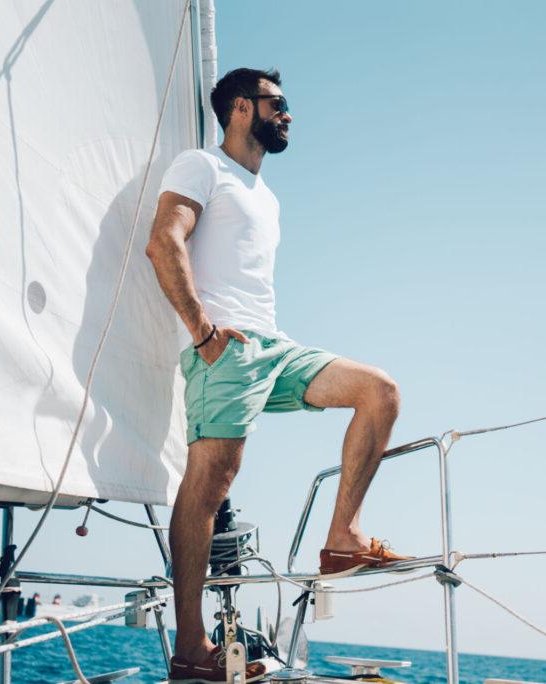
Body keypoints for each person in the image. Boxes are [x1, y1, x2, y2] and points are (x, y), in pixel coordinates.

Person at [146, 68, 411, 683]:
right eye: (278, 103)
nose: (288, 114)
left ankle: (342, 537)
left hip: (274, 345)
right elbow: (165, 243)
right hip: (227, 347)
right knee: (212, 480)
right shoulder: (200, 166)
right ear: (241, 107)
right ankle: (190, 646)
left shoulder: (265, 194)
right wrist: (204, 331)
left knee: (379, 392)